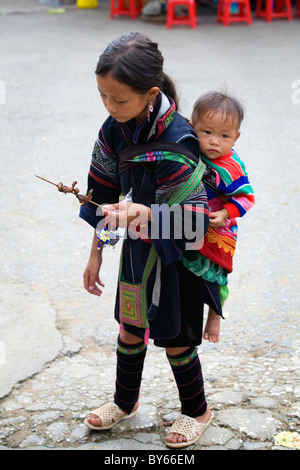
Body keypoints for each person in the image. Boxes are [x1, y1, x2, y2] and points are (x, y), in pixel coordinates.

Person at [79, 33, 223, 448]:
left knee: (176, 340)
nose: (110, 107)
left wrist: (144, 213)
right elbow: (102, 197)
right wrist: (96, 256)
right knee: (129, 330)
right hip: (137, 252)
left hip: (177, 258)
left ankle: (197, 410)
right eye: (103, 96)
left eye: (119, 100)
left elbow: (195, 224)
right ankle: (125, 402)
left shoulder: (180, 140)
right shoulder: (113, 129)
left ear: (151, 93)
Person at [191, 90, 255, 344]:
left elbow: (246, 198)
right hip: (191, 221)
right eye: (206, 132)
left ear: (236, 137)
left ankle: (215, 313)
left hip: (220, 226)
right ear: (192, 127)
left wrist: (226, 212)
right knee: (192, 269)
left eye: (224, 136)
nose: (214, 142)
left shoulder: (232, 167)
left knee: (217, 275)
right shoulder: (188, 152)